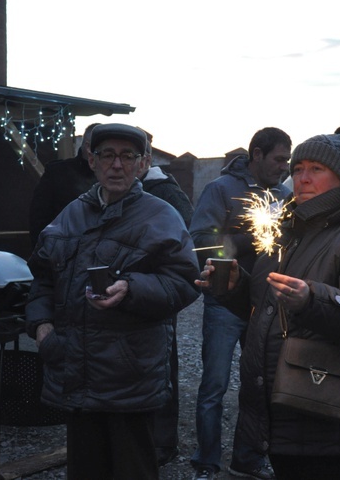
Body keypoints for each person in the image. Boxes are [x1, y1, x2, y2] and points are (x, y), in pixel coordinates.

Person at [198, 132, 340, 480]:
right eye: (298, 168)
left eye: (317, 168)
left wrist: (312, 299)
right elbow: (266, 302)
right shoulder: (289, 225)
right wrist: (235, 289)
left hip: (332, 404)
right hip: (285, 401)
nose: (302, 178)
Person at [25, 123, 200, 479]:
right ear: (92, 160)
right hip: (76, 369)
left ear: (142, 163)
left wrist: (131, 289)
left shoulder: (160, 216)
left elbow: (184, 281)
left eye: (127, 156)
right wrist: (42, 329)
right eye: (107, 155)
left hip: (129, 376)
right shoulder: (70, 215)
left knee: (132, 468)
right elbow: (42, 278)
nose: (116, 165)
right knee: (86, 469)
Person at [188, 127, 292, 480]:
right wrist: (254, 237)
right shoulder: (220, 190)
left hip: (264, 302)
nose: (285, 166)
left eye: (287, 160)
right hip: (224, 302)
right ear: (257, 154)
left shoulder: (283, 194)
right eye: (280, 159)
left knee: (259, 384)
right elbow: (201, 240)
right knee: (214, 386)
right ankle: (206, 462)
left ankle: (246, 459)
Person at [136, 128, 195, 465]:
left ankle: (163, 441)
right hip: (121, 295)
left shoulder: (167, 193)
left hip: (157, 293)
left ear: (146, 157)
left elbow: (189, 247)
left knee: (161, 365)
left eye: (130, 154)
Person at [28, 123, 99, 246]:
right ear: (88, 147)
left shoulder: (109, 176)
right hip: (61, 252)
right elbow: (39, 217)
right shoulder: (57, 172)